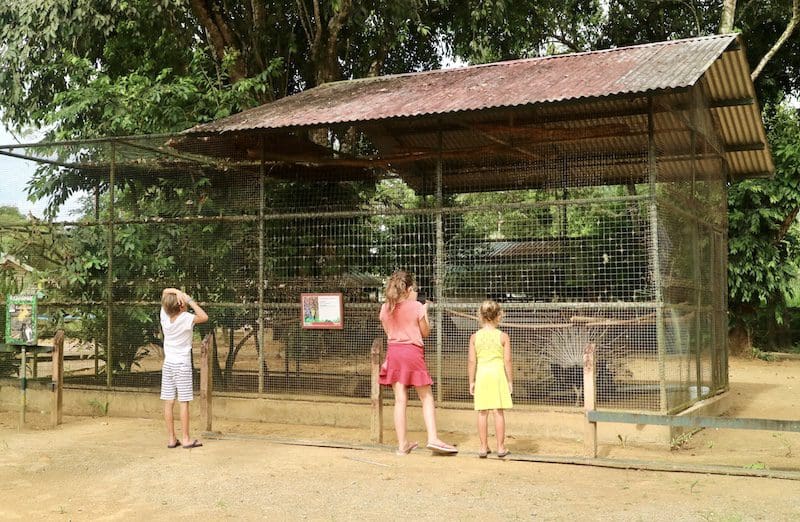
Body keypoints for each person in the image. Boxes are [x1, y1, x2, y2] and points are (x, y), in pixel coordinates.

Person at [379, 270, 458, 456]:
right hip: (412, 353)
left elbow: (389, 333)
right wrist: (424, 310)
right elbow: (425, 332)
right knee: (426, 396)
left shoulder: (385, 308)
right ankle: (433, 438)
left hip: (394, 353)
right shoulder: (416, 306)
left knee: (400, 399)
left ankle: (402, 445)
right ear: (407, 289)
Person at [160, 287, 208, 449]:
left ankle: (172, 439)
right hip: (182, 365)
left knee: (168, 402)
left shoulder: (165, 317)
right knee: (184, 402)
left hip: (168, 365)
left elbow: (165, 292)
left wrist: (177, 293)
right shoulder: (186, 318)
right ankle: (186, 438)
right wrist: (189, 300)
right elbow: (204, 317)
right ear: (180, 305)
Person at [468, 300, 513, 458]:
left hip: (482, 375)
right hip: (498, 375)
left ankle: (483, 447)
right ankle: (500, 447)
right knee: (498, 411)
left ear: (480, 315)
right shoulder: (503, 336)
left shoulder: (474, 337)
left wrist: (471, 381)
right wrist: (509, 381)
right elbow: (507, 361)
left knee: (482, 411)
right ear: (498, 316)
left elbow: (472, 361)